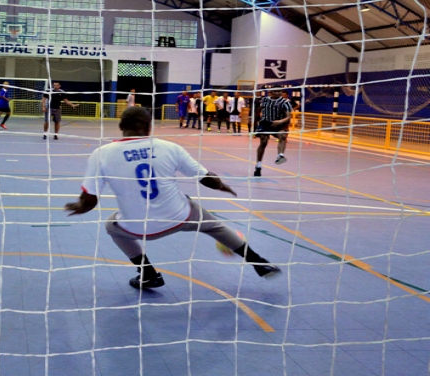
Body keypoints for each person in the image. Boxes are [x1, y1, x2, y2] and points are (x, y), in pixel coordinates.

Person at [64, 107, 281, 289]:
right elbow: (206, 178)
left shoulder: (102, 154)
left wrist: (79, 206)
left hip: (138, 228)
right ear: (149, 127)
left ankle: (148, 273)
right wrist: (224, 187)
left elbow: (90, 201)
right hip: (180, 217)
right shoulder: (169, 148)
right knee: (214, 225)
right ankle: (258, 262)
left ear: (120, 126)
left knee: (112, 226)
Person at [254, 86, 293, 177]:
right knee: (263, 141)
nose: (277, 93)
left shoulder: (285, 102)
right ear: (271, 92)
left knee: (282, 136)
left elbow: (288, 117)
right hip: (265, 123)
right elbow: (259, 110)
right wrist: (254, 119)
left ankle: (280, 155)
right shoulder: (265, 100)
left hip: (278, 123)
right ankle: (258, 165)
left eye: (279, 91)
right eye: (275, 91)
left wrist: (280, 121)